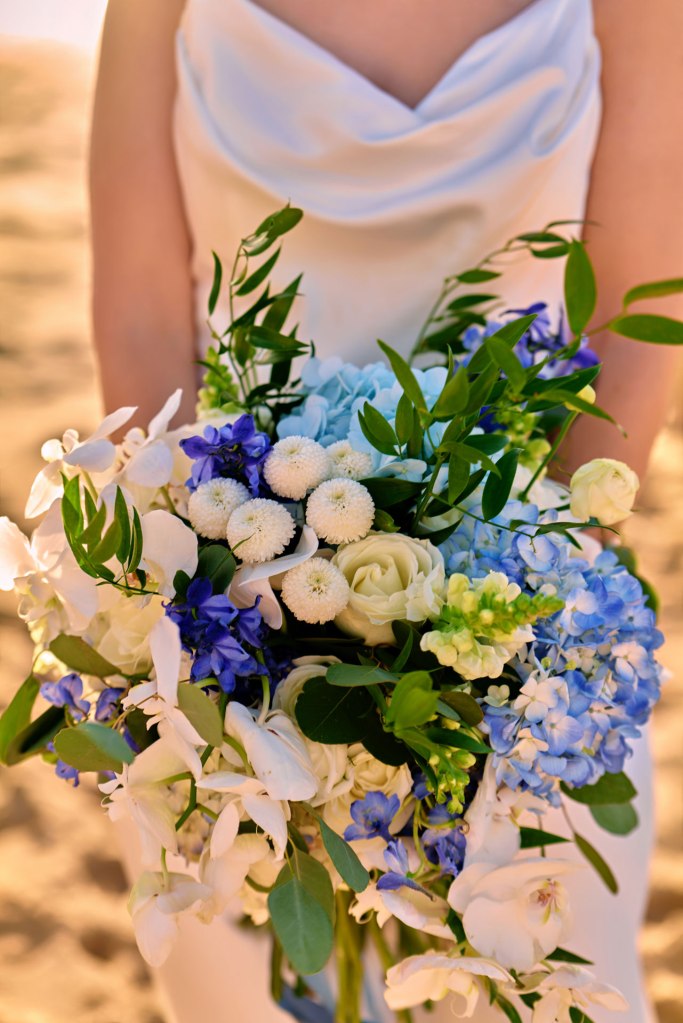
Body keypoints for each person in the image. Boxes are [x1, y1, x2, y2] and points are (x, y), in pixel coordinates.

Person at [89, 2, 683, 1020]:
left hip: (519, 653)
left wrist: (519, 607)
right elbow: (142, 312)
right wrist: (218, 618)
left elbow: (634, 312)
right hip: (231, 638)